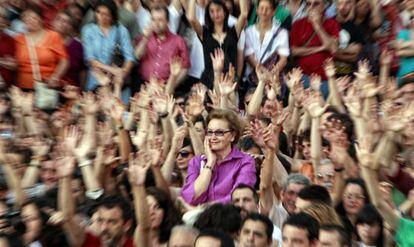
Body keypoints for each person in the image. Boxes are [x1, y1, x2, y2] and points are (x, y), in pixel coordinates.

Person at [181, 109, 256, 205]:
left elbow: (238, 199)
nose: (213, 137)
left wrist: (205, 208)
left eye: (219, 133)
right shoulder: (196, 162)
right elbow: (189, 198)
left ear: (233, 135)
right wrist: (210, 162)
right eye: (209, 132)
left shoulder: (245, 162)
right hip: (200, 219)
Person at [187, 0, 248, 88]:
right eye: (212, 11)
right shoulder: (204, 33)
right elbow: (191, 18)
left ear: (225, 11)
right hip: (209, 81)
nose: (215, 14)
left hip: (228, 81)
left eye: (218, 10)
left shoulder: (234, 32)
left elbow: (244, 14)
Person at [81, 0, 134, 92]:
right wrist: (112, 70)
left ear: (113, 15)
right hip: (96, 79)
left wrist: (122, 73)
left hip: (118, 81)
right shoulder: (88, 30)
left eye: (106, 14)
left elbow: (129, 57)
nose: (102, 17)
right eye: (99, 13)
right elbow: (90, 59)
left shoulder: (121, 30)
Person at [134, 5, 191, 92]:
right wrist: (145, 39)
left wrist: (170, 86)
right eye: (153, 19)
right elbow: (137, 56)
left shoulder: (179, 41)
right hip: (144, 87)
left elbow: (185, 68)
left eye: (160, 20)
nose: (156, 23)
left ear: (168, 21)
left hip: (166, 87)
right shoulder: (144, 37)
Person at [290, 0, 340, 97]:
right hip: (303, 77)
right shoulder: (298, 24)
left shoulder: (332, 24)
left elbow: (333, 49)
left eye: (316, 4)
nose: (311, 7)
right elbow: (294, 51)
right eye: (308, 4)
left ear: (324, 5)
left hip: (324, 80)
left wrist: (317, 25)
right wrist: (320, 48)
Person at [15, 5, 69, 90]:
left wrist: (55, 77)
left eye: (32, 17)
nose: (28, 20)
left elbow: (64, 61)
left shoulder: (53, 36)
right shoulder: (18, 39)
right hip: (23, 88)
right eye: (25, 17)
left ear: (41, 19)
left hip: (46, 87)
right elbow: (15, 63)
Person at [243, 0, 289, 84]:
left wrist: (271, 74)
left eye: (267, 9)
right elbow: (250, 57)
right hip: (252, 78)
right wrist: (265, 74)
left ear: (273, 12)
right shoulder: (248, 31)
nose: (264, 12)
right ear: (257, 10)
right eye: (261, 8)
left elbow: (283, 59)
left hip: (272, 79)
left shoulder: (281, 33)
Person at [52, 10, 86, 87]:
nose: (62, 23)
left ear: (70, 26)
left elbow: (82, 70)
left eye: (66, 21)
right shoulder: (45, 40)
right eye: (59, 19)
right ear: (53, 22)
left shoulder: (77, 45)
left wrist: (82, 88)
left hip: (71, 89)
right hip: (49, 88)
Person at [0, 7, 16, 87]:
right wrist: (3, 62)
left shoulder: (10, 39)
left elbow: (13, 65)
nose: (1, 20)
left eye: (3, 17)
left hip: (6, 87)